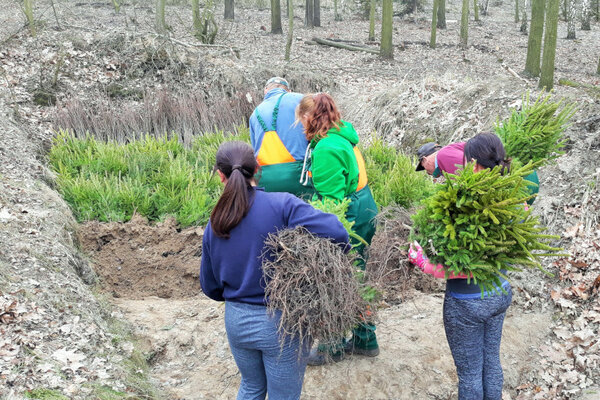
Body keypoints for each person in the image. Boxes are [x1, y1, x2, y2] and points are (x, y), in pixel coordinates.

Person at [200, 141, 349, 400]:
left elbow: (210, 287)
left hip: (237, 321)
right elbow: (338, 233)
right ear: (257, 169)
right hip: (281, 324)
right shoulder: (282, 206)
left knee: (251, 387)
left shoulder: (215, 223)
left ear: (220, 175)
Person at [409, 132, 514, 400]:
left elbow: (462, 267)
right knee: (491, 363)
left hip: (468, 301)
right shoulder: (510, 197)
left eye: (465, 160)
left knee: (469, 375)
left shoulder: (463, 205)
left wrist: (423, 262)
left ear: (475, 164)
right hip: (500, 291)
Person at [295, 92, 380, 366]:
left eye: (301, 121)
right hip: (365, 206)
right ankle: (365, 339)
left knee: (335, 276)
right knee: (357, 273)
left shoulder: (327, 148)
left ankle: (332, 345)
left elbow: (332, 205)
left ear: (310, 117)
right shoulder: (343, 134)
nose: (301, 127)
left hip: (350, 215)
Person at [416, 140, 539, 205]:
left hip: (520, 182)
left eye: (425, 169)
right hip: (521, 181)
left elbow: (471, 177)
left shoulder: (443, 155)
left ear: (425, 160)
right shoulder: (449, 154)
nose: (429, 173)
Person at [249, 77, 314, 198]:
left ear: (266, 91)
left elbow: (254, 151)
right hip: (300, 175)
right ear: (288, 91)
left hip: (265, 178)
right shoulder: (299, 99)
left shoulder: (254, 114)